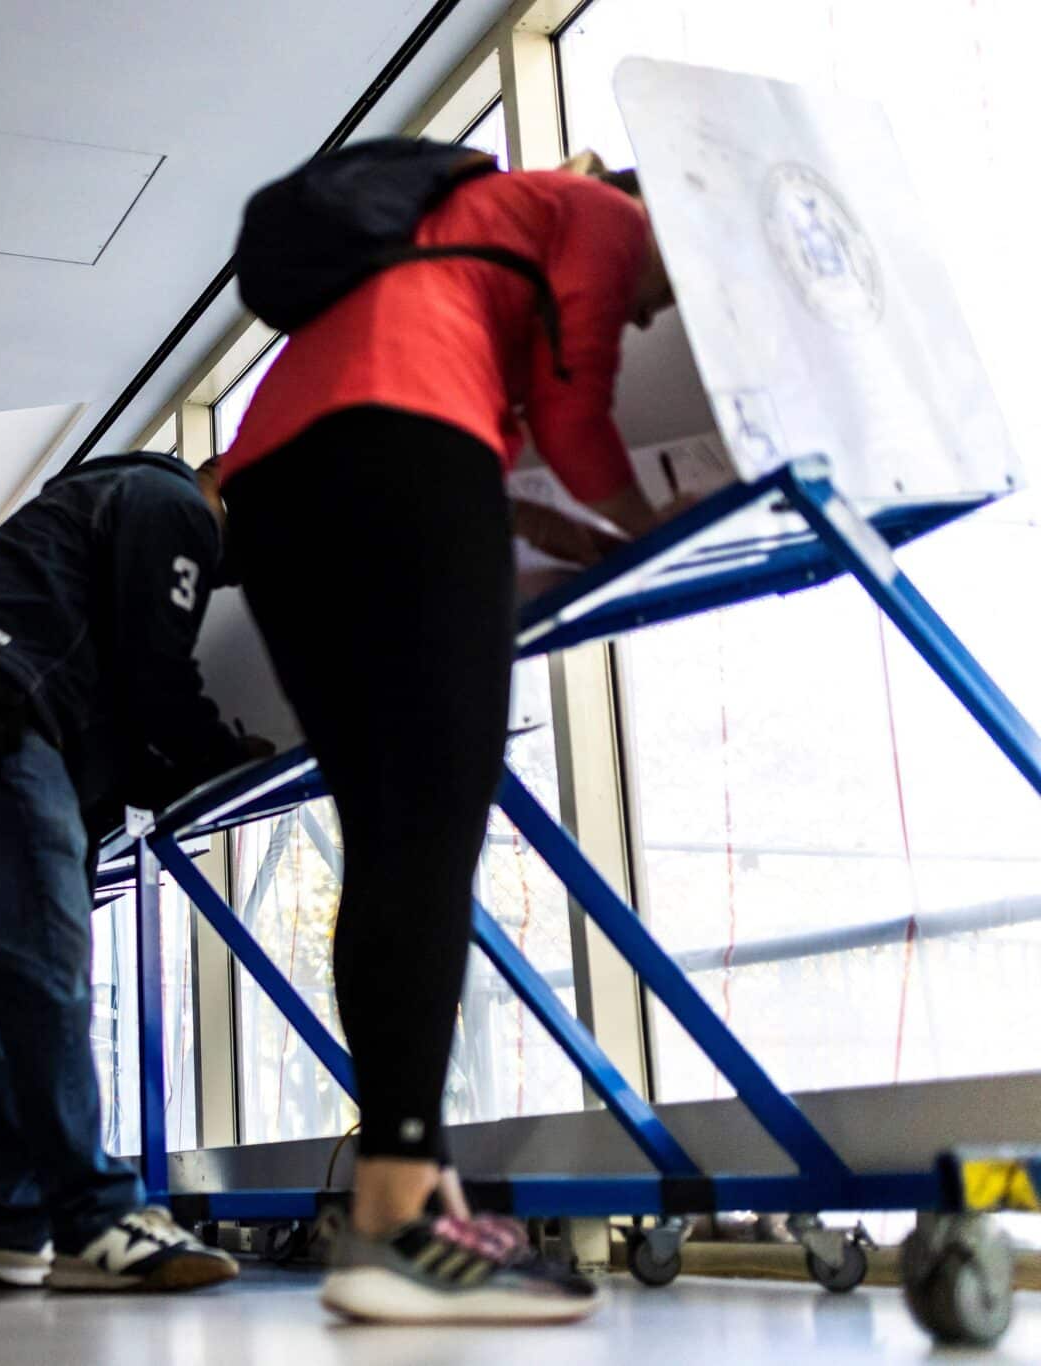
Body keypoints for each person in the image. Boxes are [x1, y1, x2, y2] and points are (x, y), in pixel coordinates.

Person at [216, 153, 684, 1324]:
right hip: (397, 444)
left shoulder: (477, 238)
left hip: (274, 483)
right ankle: (396, 1224)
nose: (648, 310)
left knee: (387, 833)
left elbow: (472, 431)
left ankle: (406, 1187)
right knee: (424, 831)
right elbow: (567, 417)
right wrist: (640, 523)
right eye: (660, 293)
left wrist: (556, 527)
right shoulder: (603, 212)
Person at [0, 451, 251, 1293]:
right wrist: (222, 754)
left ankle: (12, 1230)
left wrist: (164, 774)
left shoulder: (95, 508)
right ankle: (94, 1217)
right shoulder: (171, 503)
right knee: (46, 968)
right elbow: (159, 678)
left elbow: (117, 709)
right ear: (225, 489)